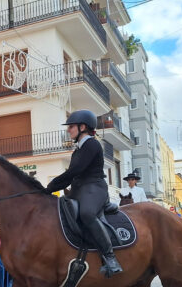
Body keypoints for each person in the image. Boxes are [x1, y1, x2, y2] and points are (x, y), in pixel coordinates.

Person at [45, 109, 123, 276]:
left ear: (83, 127)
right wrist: (47, 190)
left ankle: (110, 257)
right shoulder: (78, 149)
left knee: (87, 214)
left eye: (71, 126)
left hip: (94, 188)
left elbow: (74, 171)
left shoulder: (92, 144)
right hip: (79, 190)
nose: (68, 130)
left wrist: (50, 186)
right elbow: (71, 176)